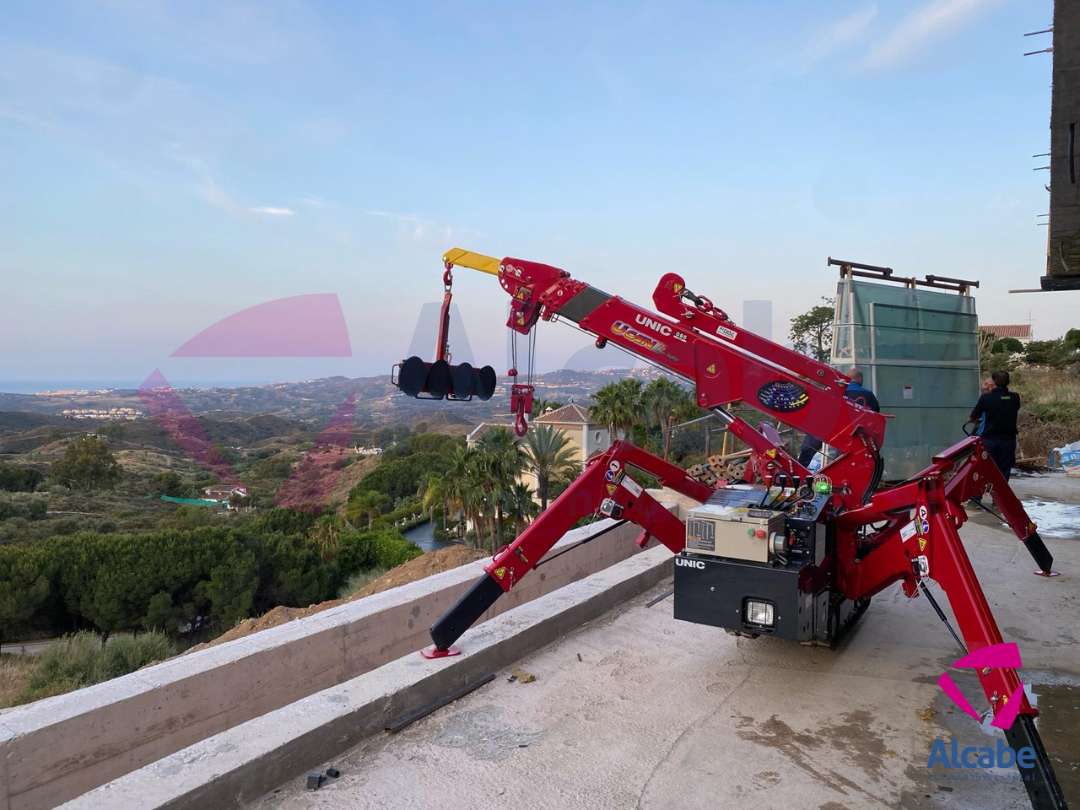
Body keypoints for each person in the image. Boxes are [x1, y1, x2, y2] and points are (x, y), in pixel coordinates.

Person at [797, 368, 880, 467]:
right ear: (859, 378)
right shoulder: (868, 394)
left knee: (810, 446)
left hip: (828, 426)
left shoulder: (835, 390)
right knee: (842, 458)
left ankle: (799, 469)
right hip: (851, 432)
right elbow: (876, 413)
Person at [970, 370, 1020, 482]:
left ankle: (976, 497)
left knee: (984, 467)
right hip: (1008, 440)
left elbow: (973, 417)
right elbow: (1013, 407)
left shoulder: (986, 398)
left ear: (994, 382)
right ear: (1008, 382)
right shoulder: (1015, 397)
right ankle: (999, 498)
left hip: (989, 440)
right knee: (1004, 469)